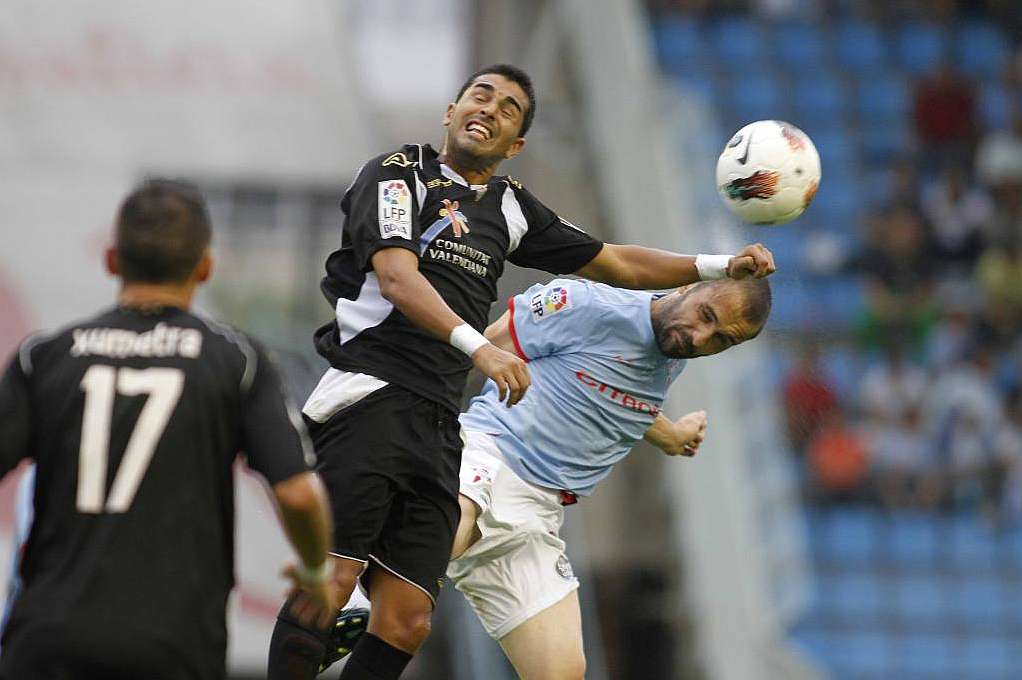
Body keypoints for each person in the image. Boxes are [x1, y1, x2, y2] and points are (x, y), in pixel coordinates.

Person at [268, 63, 776, 680]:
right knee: (344, 582)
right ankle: (346, 603)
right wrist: (481, 351)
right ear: (451, 110)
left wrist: (721, 266)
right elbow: (402, 280)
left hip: (451, 435)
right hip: (388, 399)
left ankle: (359, 602)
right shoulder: (397, 174)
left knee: (413, 622)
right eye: (481, 96)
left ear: (517, 146)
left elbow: (614, 263)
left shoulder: (511, 208)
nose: (490, 109)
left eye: (509, 109)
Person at [319, 274, 772, 679]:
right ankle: (355, 601)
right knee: (452, 523)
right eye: (706, 315)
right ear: (686, 287)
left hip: (538, 515)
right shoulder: (588, 305)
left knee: (561, 671)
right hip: (489, 453)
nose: (701, 337)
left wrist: (670, 435)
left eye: (721, 340)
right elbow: (486, 347)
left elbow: (614, 392)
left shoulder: (673, 344)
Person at [0, 180, 338, 680]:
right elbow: (298, 495)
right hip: (173, 642)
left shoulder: (44, 356)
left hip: (47, 638)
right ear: (205, 266)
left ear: (112, 260)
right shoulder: (236, 360)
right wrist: (314, 572)